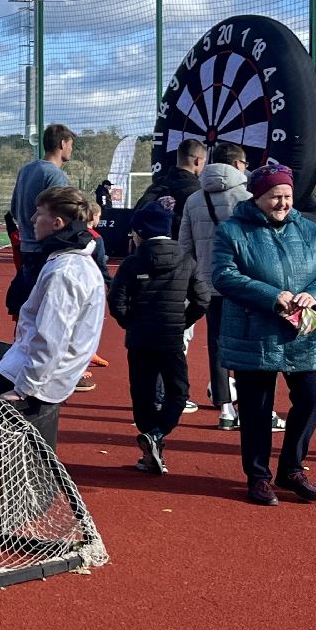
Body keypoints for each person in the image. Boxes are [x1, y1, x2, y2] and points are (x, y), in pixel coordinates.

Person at [0, 186, 106, 451]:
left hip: (35, 382)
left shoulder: (66, 271)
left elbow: (51, 339)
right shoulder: (69, 261)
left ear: (57, 223)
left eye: (39, 214)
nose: (32, 220)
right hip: (35, 374)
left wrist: (24, 389)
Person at [212, 160, 316, 506]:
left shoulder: (309, 230)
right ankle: (258, 477)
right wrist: (272, 296)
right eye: (274, 197)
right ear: (257, 197)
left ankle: (292, 468)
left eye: (287, 196)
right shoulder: (232, 231)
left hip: (303, 330)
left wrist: (315, 293)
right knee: (256, 408)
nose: (283, 203)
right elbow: (223, 276)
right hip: (254, 332)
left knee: (312, 395)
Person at [180, 142, 284, 432]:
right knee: (255, 346)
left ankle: (226, 410)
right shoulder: (249, 196)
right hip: (245, 283)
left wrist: (192, 282)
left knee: (218, 345)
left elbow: (185, 246)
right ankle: (262, 409)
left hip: (209, 283)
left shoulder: (194, 199)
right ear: (238, 164)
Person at [109, 199, 210, 475]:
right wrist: (180, 322)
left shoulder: (132, 263)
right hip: (170, 338)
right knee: (178, 392)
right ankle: (157, 436)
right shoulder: (186, 261)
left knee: (142, 394)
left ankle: (152, 440)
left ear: (140, 233)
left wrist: (131, 323)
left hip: (141, 339)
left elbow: (116, 302)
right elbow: (202, 300)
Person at [6, 123, 74, 315]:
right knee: (48, 314)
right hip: (45, 253)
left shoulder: (26, 170)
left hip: (26, 250)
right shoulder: (55, 175)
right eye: (70, 145)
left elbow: (14, 209)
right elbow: (62, 218)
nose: (71, 150)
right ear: (62, 144)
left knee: (27, 315)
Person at [136, 139, 207, 236]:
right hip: (179, 248)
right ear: (198, 161)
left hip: (149, 247)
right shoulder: (197, 191)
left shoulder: (157, 185)